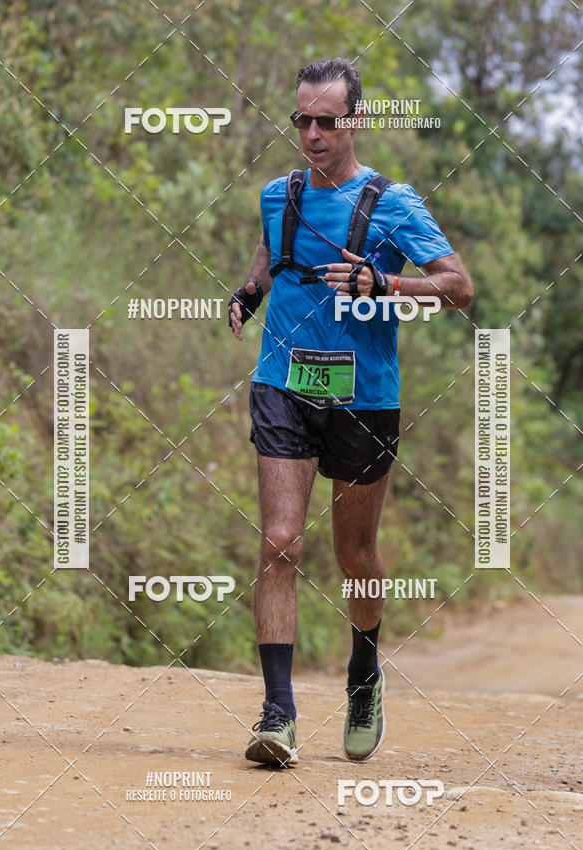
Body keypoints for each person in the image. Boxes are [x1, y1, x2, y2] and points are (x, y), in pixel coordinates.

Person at [229, 57, 473, 767]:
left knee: (354, 555)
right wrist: (249, 292)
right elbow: (270, 252)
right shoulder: (278, 194)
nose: (312, 133)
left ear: (355, 120)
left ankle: (364, 675)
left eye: (327, 121)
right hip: (284, 384)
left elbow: (458, 287)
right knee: (280, 541)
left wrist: (385, 282)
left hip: (365, 399)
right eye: (302, 120)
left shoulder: (394, 203)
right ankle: (278, 715)